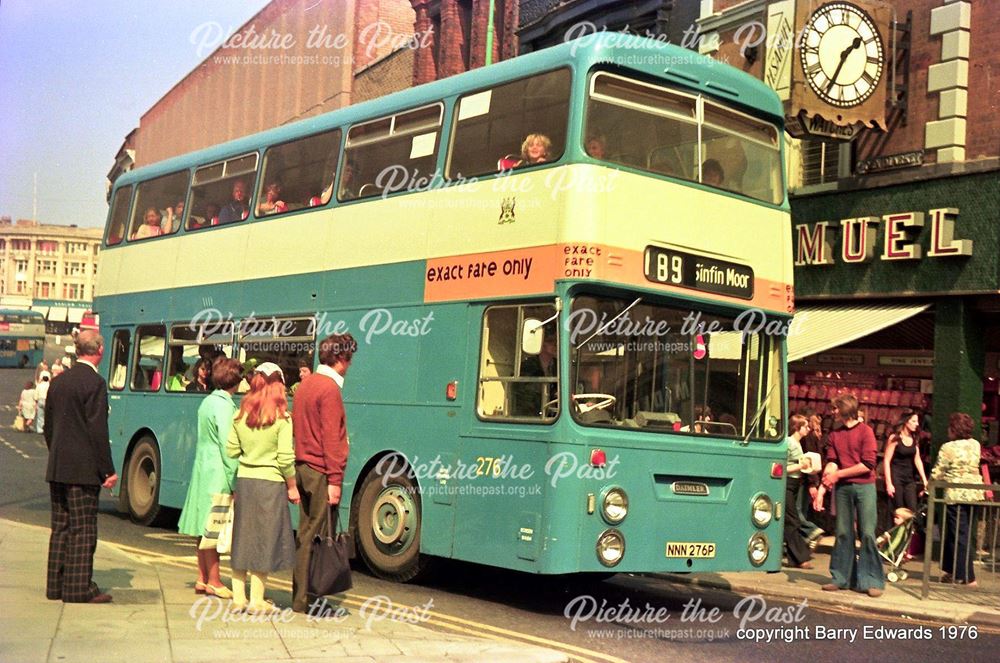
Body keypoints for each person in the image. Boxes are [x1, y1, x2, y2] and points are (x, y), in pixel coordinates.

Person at [44, 330, 117, 603]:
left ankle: (56, 586)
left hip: (58, 467)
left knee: (60, 527)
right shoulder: (95, 383)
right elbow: (98, 430)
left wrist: (57, 455)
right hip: (83, 470)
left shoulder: (58, 382)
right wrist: (107, 470)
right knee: (84, 529)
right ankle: (78, 589)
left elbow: (49, 428)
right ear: (99, 350)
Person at [292, 333, 357, 613]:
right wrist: (335, 480)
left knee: (306, 534)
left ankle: (300, 597)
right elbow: (331, 438)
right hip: (320, 470)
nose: (350, 365)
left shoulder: (306, 385)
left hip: (302, 466)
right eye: (349, 359)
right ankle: (312, 600)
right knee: (319, 537)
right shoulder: (329, 389)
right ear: (340, 359)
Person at [227, 362, 299, 613]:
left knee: (243, 537)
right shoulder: (282, 419)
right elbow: (285, 459)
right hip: (271, 483)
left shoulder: (240, 415)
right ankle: (257, 600)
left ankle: (238, 599)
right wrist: (292, 486)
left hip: (245, 481)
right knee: (265, 540)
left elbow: (231, 450)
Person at [176, 358, 243, 599]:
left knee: (202, 528)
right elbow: (229, 447)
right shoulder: (225, 406)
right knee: (214, 528)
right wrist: (235, 482)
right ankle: (215, 581)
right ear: (234, 381)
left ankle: (202, 578)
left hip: (202, 469)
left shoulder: (207, 402)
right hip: (218, 473)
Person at [814, 393, 885, 597]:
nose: (832, 412)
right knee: (843, 532)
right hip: (843, 488)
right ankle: (841, 578)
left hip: (865, 487)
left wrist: (837, 475)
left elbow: (868, 464)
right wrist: (823, 487)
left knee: (867, 533)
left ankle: (872, 581)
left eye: (836, 408)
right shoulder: (835, 435)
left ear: (845, 409)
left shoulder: (866, 432)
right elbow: (832, 461)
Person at [931, 412, 985, 586]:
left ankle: (969, 578)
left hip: (955, 495)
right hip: (974, 494)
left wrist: (929, 485)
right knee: (961, 534)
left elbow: (939, 471)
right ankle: (952, 570)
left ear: (954, 429)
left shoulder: (948, 448)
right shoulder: (975, 444)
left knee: (959, 535)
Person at [784, 415, 815, 569]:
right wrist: (800, 467)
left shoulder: (798, 443)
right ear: (797, 427)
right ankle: (800, 556)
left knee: (789, 520)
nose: (808, 429)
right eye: (805, 426)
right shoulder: (789, 443)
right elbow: (782, 467)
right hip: (788, 484)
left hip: (795, 484)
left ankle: (793, 557)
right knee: (792, 520)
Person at [884, 410, 928, 513]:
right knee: (899, 509)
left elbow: (917, 459)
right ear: (906, 421)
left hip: (909, 478)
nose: (916, 424)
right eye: (914, 421)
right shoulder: (895, 438)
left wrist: (924, 480)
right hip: (896, 478)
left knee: (912, 509)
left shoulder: (914, 438)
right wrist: (889, 483)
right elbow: (886, 460)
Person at [798, 413, 826, 546]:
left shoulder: (808, 438)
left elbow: (808, 461)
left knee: (796, 510)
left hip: (803, 479)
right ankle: (802, 541)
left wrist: (811, 483)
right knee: (801, 510)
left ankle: (811, 531)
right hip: (810, 479)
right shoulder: (815, 437)